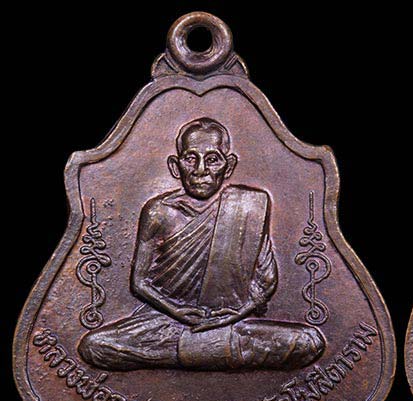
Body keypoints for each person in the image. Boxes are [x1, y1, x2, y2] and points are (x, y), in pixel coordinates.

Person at [78, 117, 325, 370]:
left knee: (310, 341)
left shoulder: (249, 206)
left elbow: (265, 284)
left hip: (231, 324)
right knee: (94, 346)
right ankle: (211, 351)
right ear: (175, 166)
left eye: (213, 159)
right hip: (167, 323)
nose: (200, 170)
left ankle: (194, 351)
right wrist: (178, 312)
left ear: (229, 166)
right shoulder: (158, 212)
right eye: (190, 158)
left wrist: (236, 314)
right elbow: (139, 283)